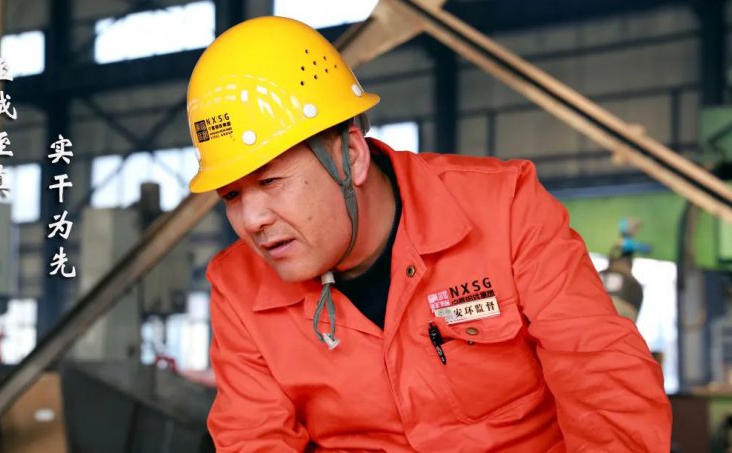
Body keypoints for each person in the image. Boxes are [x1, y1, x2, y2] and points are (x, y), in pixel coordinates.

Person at [185, 16, 672, 452]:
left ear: (349, 156)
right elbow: (255, 440)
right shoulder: (239, 288)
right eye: (231, 196)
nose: (252, 220)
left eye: (271, 182)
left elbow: (602, 378)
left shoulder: (503, 210)